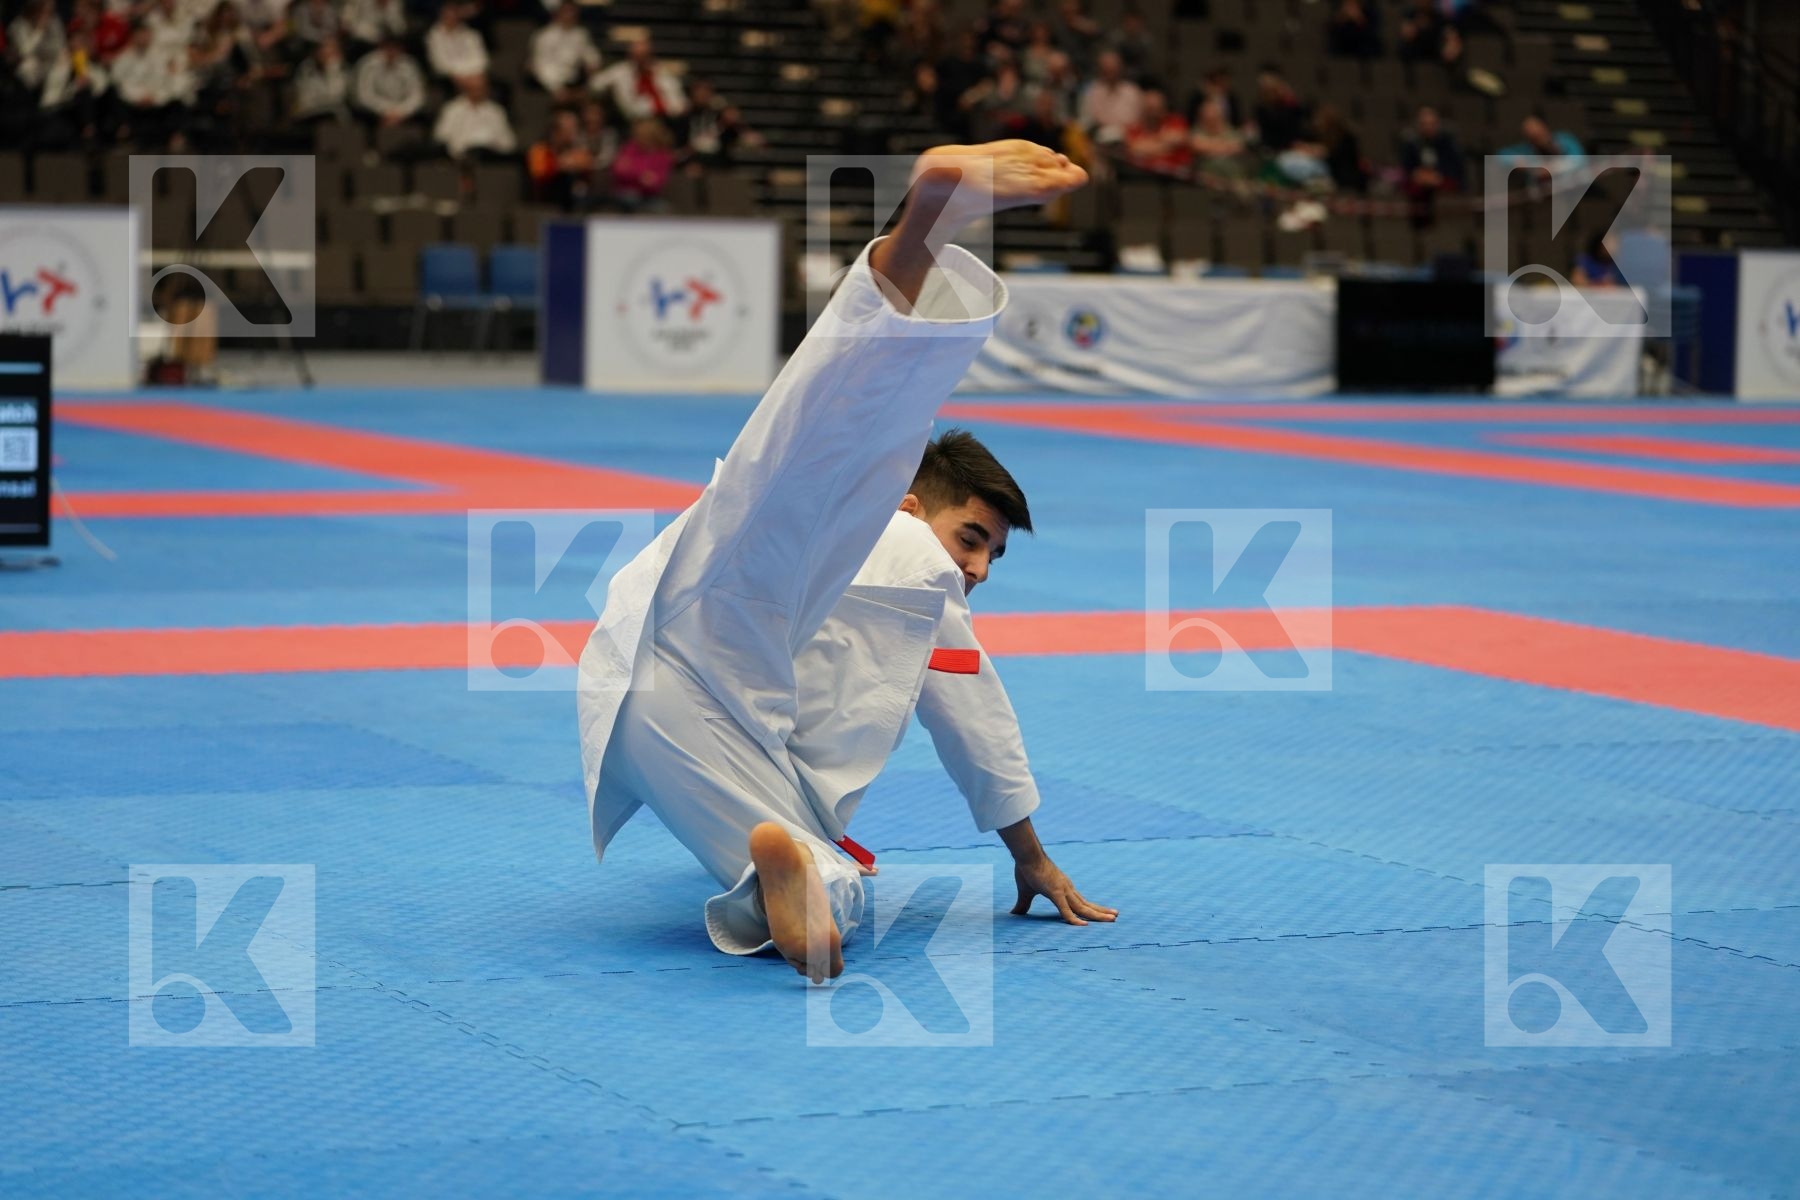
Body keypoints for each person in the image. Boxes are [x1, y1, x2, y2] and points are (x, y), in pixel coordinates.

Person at [577, 140, 1112, 982]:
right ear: (914, 509)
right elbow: (978, 726)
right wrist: (1031, 854)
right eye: (970, 538)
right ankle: (802, 882)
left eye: (991, 556)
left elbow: (844, 422)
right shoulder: (916, 565)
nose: (975, 568)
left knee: (805, 440)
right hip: (714, 667)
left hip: (653, 672)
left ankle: (924, 219)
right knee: (821, 451)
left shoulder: (880, 527)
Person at [590, 35, 685, 121]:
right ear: (630, 55)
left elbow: (680, 104)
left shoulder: (661, 72)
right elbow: (595, 84)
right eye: (637, 56)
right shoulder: (620, 71)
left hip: (662, 119)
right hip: (630, 121)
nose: (641, 61)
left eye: (644, 56)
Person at [1400, 104, 1465, 224]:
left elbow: (1454, 166)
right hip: (1421, 181)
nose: (1428, 127)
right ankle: (1418, 225)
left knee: (1448, 186)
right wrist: (1419, 175)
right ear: (1418, 126)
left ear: (1437, 125)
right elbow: (1407, 168)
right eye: (1424, 124)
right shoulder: (1412, 144)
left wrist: (1437, 176)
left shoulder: (1447, 143)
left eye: (1431, 124)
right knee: (1413, 189)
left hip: (1441, 179)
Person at [433, 72, 515, 159]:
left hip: (491, 158)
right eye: (474, 89)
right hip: (460, 159)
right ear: (465, 89)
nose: (478, 92)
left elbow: (508, 142)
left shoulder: (496, 111)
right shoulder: (452, 109)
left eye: (481, 89)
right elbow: (441, 137)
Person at [352, 34, 426, 129]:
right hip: (373, 112)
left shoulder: (410, 65)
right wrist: (386, 110)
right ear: (381, 48)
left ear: (401, 50)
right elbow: (364, 95)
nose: (391, 52)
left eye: (395, 49)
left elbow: (417, 96)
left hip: (403, 112)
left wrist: (401, 112)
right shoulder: (368, 65)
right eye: (388, 48)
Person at [528, 2, 598, 100]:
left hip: (574, 82)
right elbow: (538, 66)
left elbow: (591, 58)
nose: (570, 15)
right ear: (557, 14)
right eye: (567, 12)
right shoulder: (544, 36)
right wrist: (556, 88)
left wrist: (590, 82)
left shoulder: (581, 34)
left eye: (573, 12)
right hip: (547, 84)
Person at [1077, 48, 1141, 144]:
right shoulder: (1091, 92)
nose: (1110, 72)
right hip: (1098, 143)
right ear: (1100, 69)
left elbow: (1139, 123)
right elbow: (1085, 122)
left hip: (1128, 143)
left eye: (1113, 69)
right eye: (1106, 69)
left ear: (1120, 68)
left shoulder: (1132, 92)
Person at [608, 116, 673, 209]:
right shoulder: (629, 148)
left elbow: (657, 184)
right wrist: (642, 176)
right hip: (624, 194)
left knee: (663, 208)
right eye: (638, 135)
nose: (639, 138)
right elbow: (618, 170)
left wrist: (631, 170)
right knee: (629, 198)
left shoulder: (663, 155)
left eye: (643, 135)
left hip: (650, 197)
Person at [1124, 87, 1190, 173]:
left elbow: (1179, 139)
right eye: (1150, 109)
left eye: (1157, 108)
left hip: (1177, 175)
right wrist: (1165, 146)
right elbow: (1134, 149)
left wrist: (1148, 142)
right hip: (1144, 176)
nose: (1154, 114)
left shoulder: (1176, 121)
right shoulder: (1134, 128)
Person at [293, 35, 351, 123]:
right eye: (321, 49)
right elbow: (305, 100)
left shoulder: (344, 71)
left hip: (335, 115)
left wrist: (331, 70)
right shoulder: (306, 70)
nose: (323, 53)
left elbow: (337, 96)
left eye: (330, 52)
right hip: (311, 115)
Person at [425, 1, 487, 83]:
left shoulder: (471, 34)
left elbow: (482, 59)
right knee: (475, 83)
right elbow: (439, 64)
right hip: (451, 75)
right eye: (448, 15)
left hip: (473, 72)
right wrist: (461, 73)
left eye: (454, 14)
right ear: (441, 15)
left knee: (478, 81)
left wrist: (471, 72)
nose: (451, 18)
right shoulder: (433, 36)